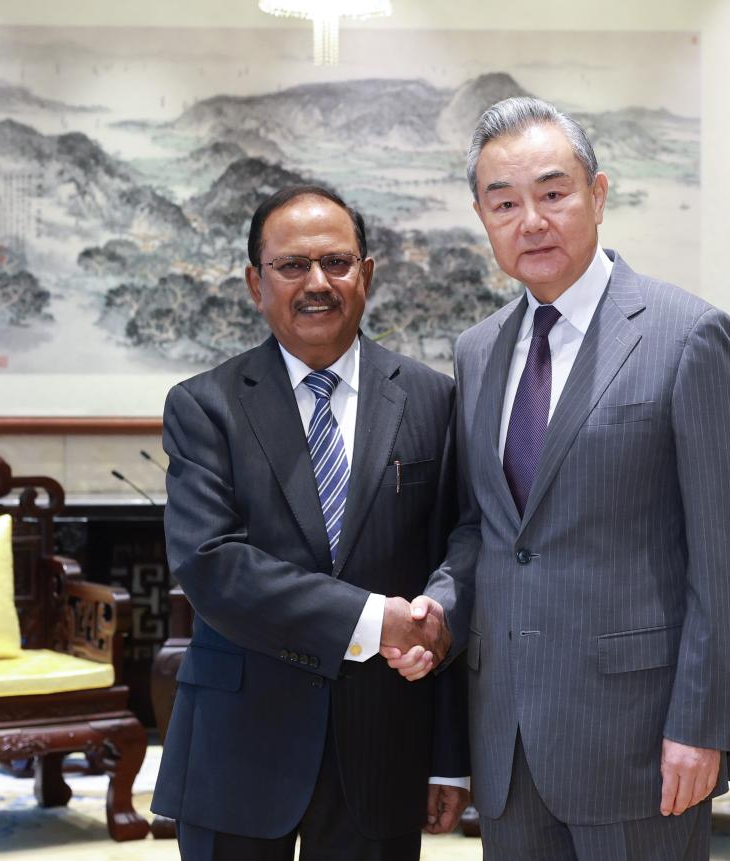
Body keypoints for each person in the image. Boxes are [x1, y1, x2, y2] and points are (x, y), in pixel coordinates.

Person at [386, 97, 730, 859]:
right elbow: (485, 529)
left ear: (598, 193)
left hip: (640, 736)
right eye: (505, 202)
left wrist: (701, 723)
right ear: (482, 218)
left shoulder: (687, 336)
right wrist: (441, 605)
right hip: (509, 736)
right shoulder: (478, 350)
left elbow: (724, 557)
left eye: (554, 193)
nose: (532, 220)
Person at [151, 185, 468, 861]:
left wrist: (448, 757)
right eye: (293, 265)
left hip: (382, 748)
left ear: (368, 273)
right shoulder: (203, 406)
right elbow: (212, 564)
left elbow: (458, 553)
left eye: (337, 262)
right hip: (237, 748)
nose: (317, 283)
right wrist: (373, 619)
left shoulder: (434, 399)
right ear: (254, 282)